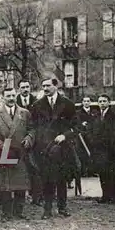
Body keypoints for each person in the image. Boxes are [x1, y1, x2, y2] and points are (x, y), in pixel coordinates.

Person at [29, 78, 78, 219]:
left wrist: (65, 135)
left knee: (62, 179)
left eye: (48, 85)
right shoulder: (37, 105)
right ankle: (47, 209)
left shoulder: (67, 104)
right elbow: (34, 126)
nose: (45, 88)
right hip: (44, 148)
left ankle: (62, 207)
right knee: (46, 179)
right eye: (43, 86)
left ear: (55, 86)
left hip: (63, 147)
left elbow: (76, 126)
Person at [0, 88, 33, 221]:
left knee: (20, 184)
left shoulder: (24, 113)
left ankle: (19, 211)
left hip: (20, 152)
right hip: (4, 152)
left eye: (13, 95)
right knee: (5, 186)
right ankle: (6, 213)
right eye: (8, 95)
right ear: (2, 97)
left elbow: (32, 129)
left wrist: (29, 138)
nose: (11, 98)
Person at [91, 94, 115, 204]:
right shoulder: (97, 115)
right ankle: (105, 195)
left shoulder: (113, 115)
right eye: (100, 101)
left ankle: (114, 196)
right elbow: (94, 131)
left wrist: (113, 147)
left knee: (111, 173)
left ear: (109, 102)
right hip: (99, 149)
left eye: (104, 101)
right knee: (102, 173)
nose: (102, 103)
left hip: (110, 149)